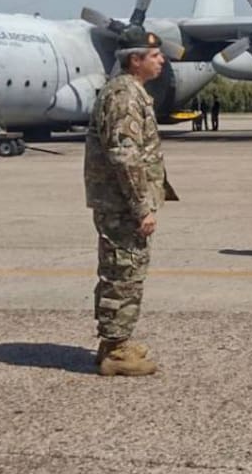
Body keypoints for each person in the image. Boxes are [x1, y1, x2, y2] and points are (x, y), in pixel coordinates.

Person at [83, 26, 169, 376]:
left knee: (123, 269)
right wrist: (141, 206)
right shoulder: (124, 96)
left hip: (119, 202)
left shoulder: (129, 91)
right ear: (135, 60)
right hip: (122, 205)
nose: (162, 60)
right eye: (154, 56)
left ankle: (114, 339)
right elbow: (124, 155)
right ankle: (115, 351)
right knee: (124, 271)